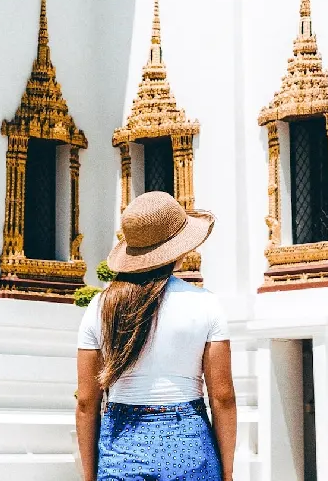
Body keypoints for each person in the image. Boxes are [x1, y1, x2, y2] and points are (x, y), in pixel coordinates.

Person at [76, 191, 237, 481]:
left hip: (122, 450)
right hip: (189, 448)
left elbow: (87, 402)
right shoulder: (205, 304)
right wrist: (226, 472)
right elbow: (222, 397)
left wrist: (89, 477)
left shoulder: (99, 307)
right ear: (178, 249)